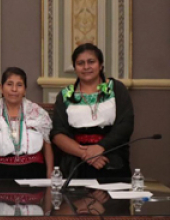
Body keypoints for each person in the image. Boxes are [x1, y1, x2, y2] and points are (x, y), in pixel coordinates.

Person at [51, 43, 134, 179]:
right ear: (75, 67)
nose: (86, 67)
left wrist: (100, 147)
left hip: (110, 158)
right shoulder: (66, 94)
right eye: (80, 63)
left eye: (91, 62)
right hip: (75, 162)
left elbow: (125, 124)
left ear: (100, 65)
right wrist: (86, 154)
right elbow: (57, 133)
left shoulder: (116, 89)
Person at [0, 67, 54, 180]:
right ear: (1, 88)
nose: (14, 89)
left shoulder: (38, 113)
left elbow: (47, 145)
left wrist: (50, 177)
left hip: (33, 172)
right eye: (9, 84)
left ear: (25, 90)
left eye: (19, 85)